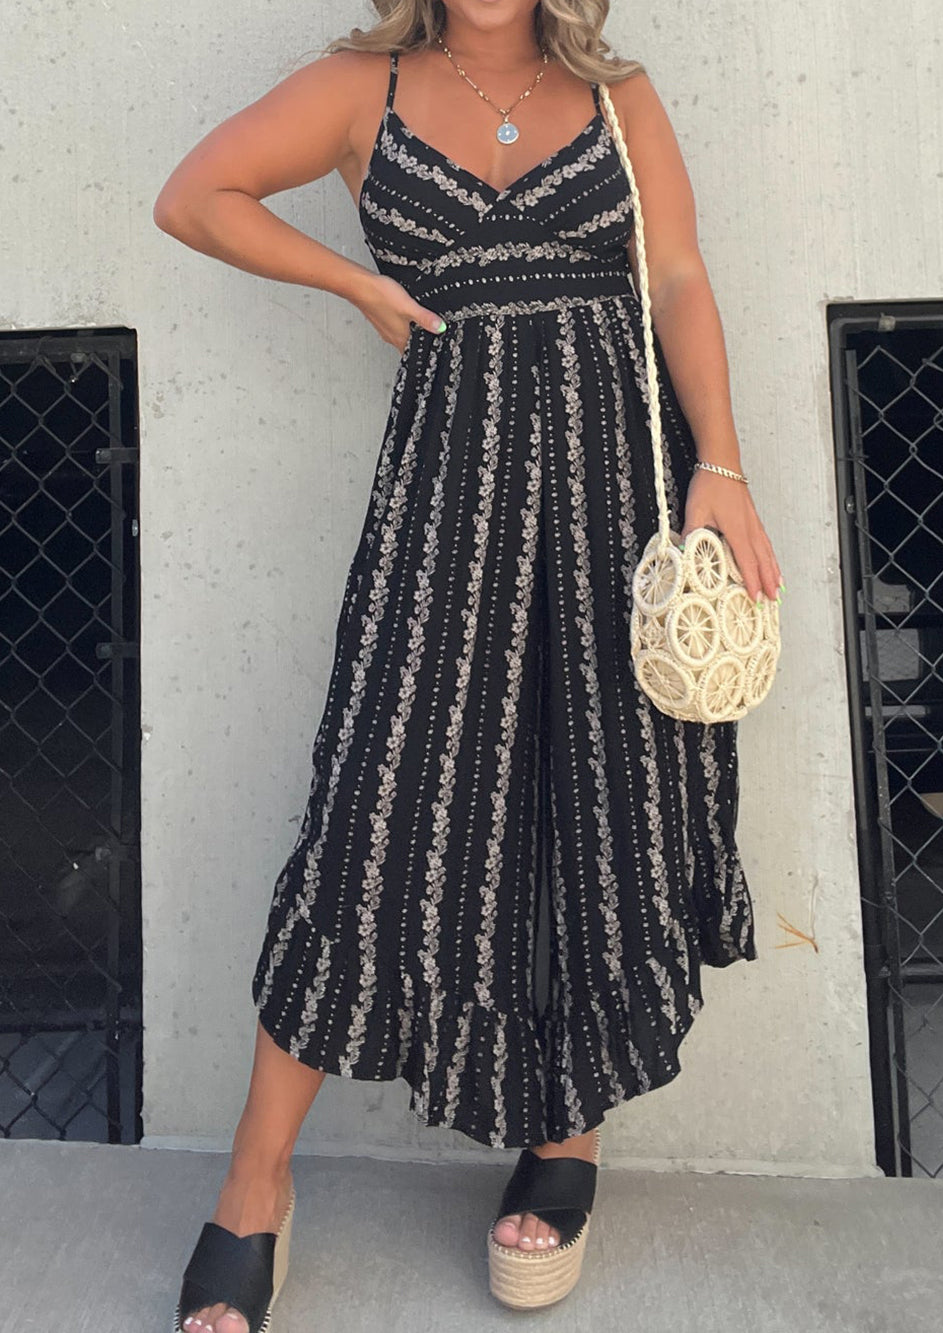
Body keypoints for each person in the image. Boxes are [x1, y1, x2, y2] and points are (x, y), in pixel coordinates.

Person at [154, 1, 783, 1328]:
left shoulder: (618, 94)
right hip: (447, 506)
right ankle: (256, 1187)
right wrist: (358, 284)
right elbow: (195, 197)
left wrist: (721, 464)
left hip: (617, 498)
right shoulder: (360, 87)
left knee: (601, 798)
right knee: (377, 811)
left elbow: (675, 275)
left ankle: (566, 1138)